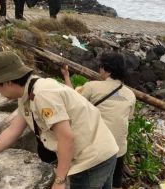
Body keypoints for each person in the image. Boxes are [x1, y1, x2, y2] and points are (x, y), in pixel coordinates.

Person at [0, 51, 119, 189]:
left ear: (7, 81)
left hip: (90, 160)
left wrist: (59, 180)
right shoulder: (28, 91)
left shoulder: (43, 94)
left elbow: (66, 137)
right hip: (104, 151)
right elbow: (12, 131)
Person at [62, 52, 136, 189]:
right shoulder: (130, 94)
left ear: (105, 69)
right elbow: (128, 118)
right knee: (114, 184)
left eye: (100, 67)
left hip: (98, 148)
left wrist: (66, 76)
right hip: (119, 149)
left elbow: (71, 100)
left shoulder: (92, 86)